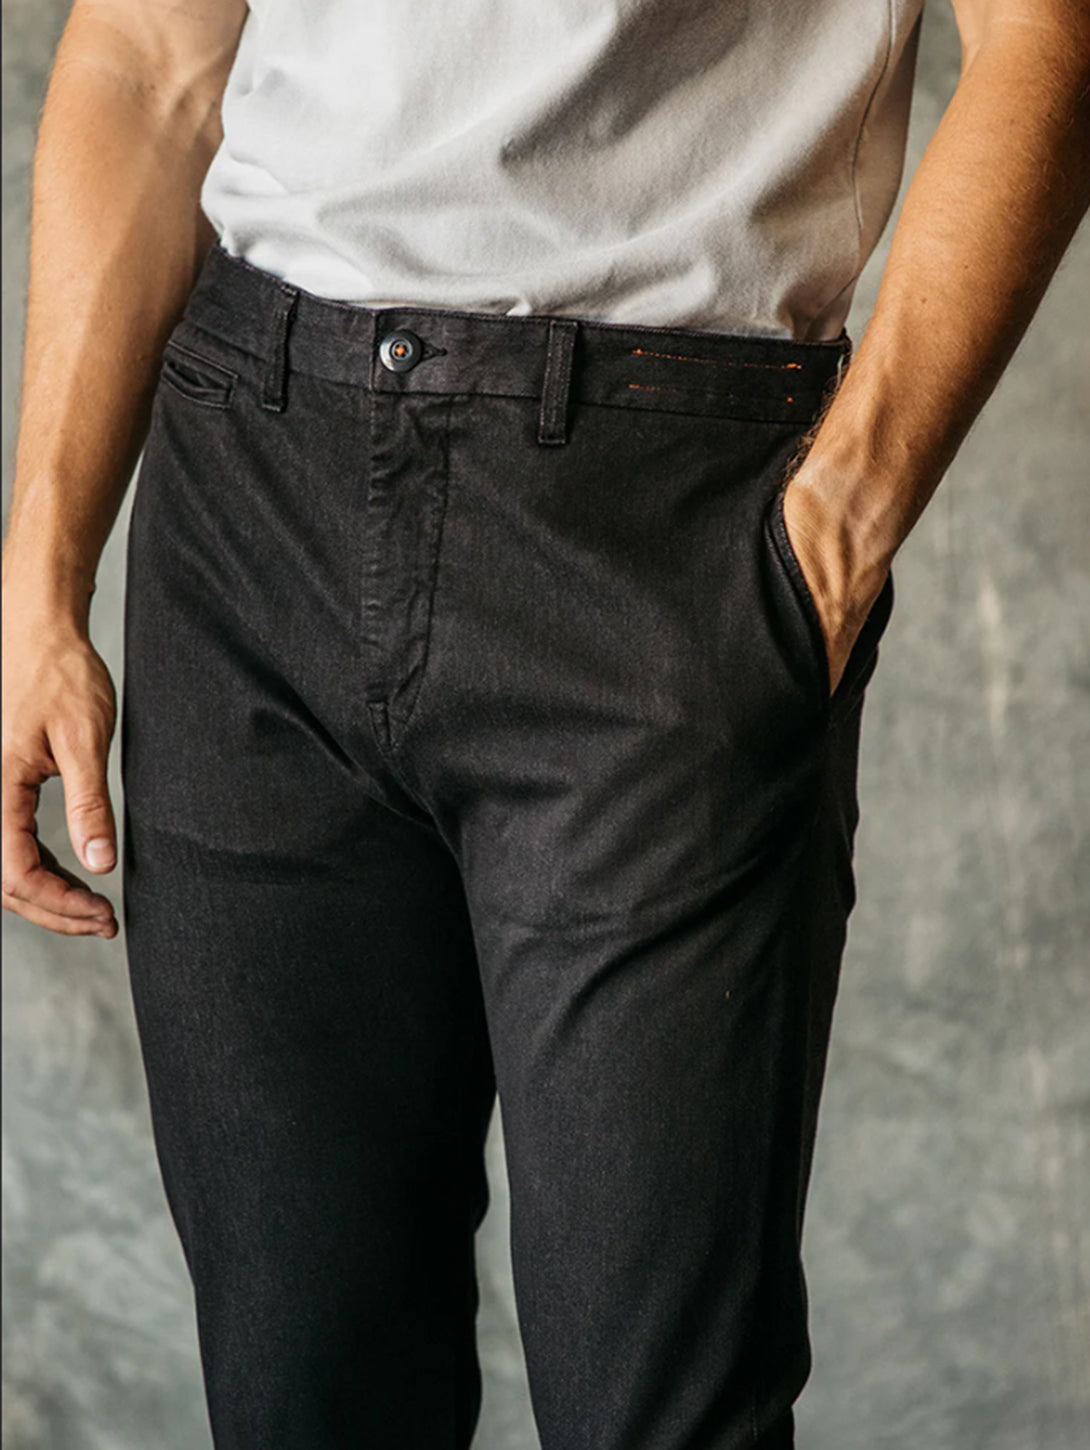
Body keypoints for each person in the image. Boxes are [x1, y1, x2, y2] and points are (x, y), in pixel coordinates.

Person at [2, 0, 1087, 1445]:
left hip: (658, 518)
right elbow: (147, 57)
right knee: (300, 1397)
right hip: (249, 504)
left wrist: (833, 535)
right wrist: (39, 579)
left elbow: (1047, 36)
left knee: (658, 1409)